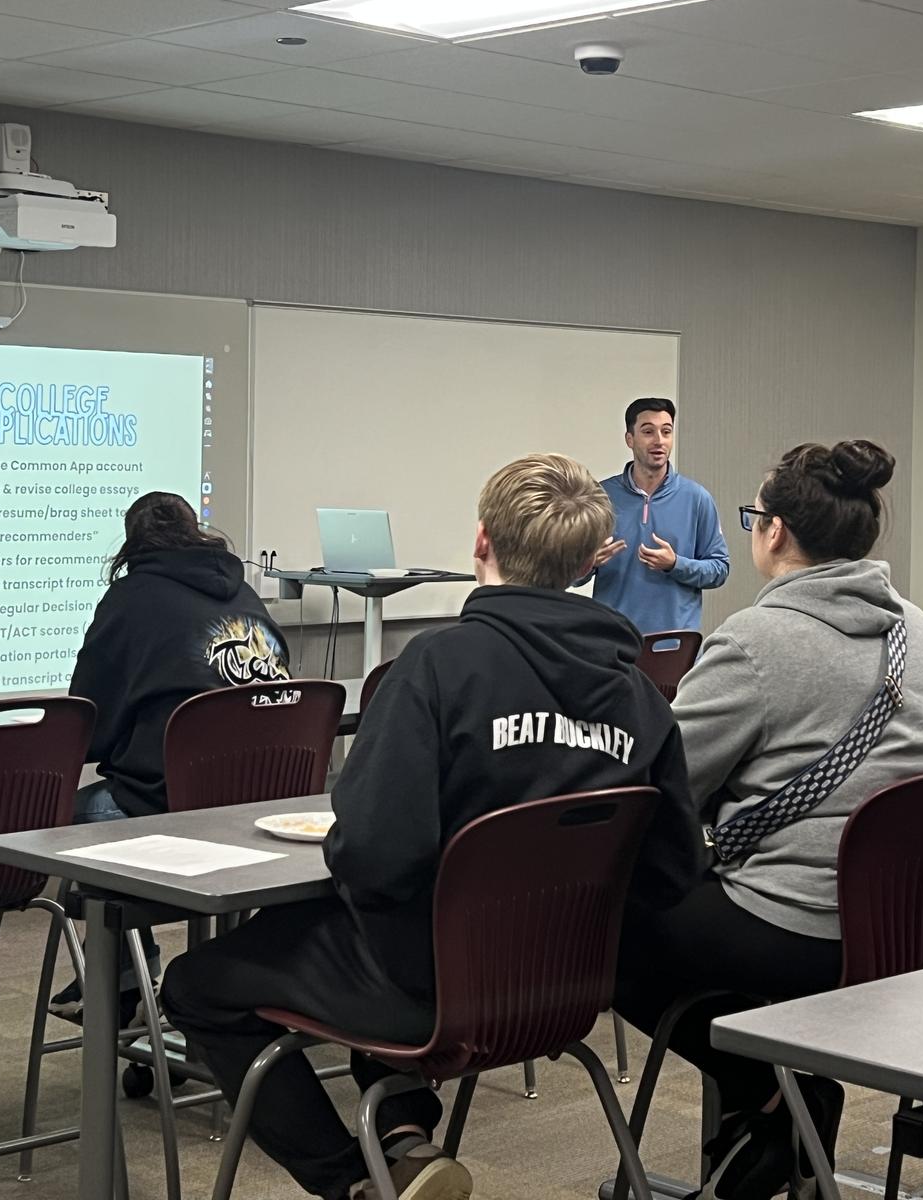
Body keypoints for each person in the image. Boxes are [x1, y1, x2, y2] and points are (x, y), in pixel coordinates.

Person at [163, 454, 704, 1200]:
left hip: (432, 987)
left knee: (197, 983)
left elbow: (378, 857)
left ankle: (351, 1184)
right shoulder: (638, 696)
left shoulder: (438, 670)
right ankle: (404, 1140)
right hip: (570, 986)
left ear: (481, 541)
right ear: (589, 563)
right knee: (380, 922)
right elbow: (673, 872)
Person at [614, 440, 923, 1200]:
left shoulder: (755, 640)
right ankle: (766, 1126)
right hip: (918, 931)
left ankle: (775, 1095)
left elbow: (664, 782)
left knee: (609, 935)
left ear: (772, 531)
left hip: (805, 930)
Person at [50, 491, 291, 1022]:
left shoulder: (131, 600)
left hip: (170, 813)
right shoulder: (245, 595)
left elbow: (88, 724)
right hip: (259, 812)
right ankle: (124, 978)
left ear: (133, 544)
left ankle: (124, 978)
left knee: (53, 827)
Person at [588, 397, 730, 634]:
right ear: (629, 439)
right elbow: (570, 576)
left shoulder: (697, 498)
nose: (659, 441)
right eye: (648, 432)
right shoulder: (599, 497)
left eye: (666, 432)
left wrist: (675, 564)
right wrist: (588, 562)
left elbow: (719, 569)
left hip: (674, 645)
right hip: (612, 640)